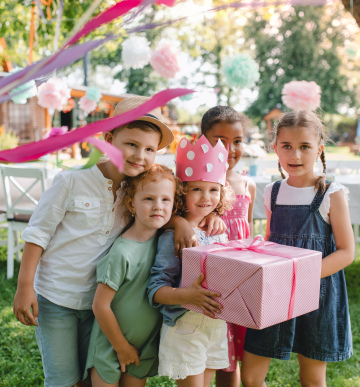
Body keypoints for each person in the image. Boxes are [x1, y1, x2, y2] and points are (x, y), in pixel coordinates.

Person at [12, 96, 224, 387]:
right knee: (63, 379)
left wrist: (179, 222)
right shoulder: (71, 181)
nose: (140, 155)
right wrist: (25, 287)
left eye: (149, 149)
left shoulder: (135, 188)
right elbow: (37, 234)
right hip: (57, 297)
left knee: (90, 375)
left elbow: (158, 209)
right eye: (132, 144)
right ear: (109, 139)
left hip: (98, 303)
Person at [241, 111, 355, 387]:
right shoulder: (272, 192)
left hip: (317, 294)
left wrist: (302, 274)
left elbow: (346, 252)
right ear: (275, 148)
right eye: (287, 146)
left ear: (319, 149)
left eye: (305, 146)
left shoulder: (331, 193)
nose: (295, 155)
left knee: (312, 378)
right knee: (250, 376)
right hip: (274, 293)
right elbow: (271, 239)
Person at [147, 135, 235, 387]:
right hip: (185, 328)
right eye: (196, 189)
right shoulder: (172, 236)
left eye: (213, 190)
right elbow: (155, 290)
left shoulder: (217, 230)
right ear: (181, 192)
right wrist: (188, 295)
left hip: (214, 326)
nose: (206, 197)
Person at [85, 165, 180, 387]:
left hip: (144, 345)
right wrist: (121, 347)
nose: (158, 206)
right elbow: (100, 306)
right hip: (110, 345)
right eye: (149, 198)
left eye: (166, 200)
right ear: (131, 204)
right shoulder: (121, 252)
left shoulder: (164, 242)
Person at [200, 106, 255, 387]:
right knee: (213, 348)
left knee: (233, 353)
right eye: (220, 140)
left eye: (237, 141)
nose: (230, 149)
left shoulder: (247, 184)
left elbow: (250, 233)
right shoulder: (196, 184)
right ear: (202, 141)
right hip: (212, 278)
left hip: (242, 279)